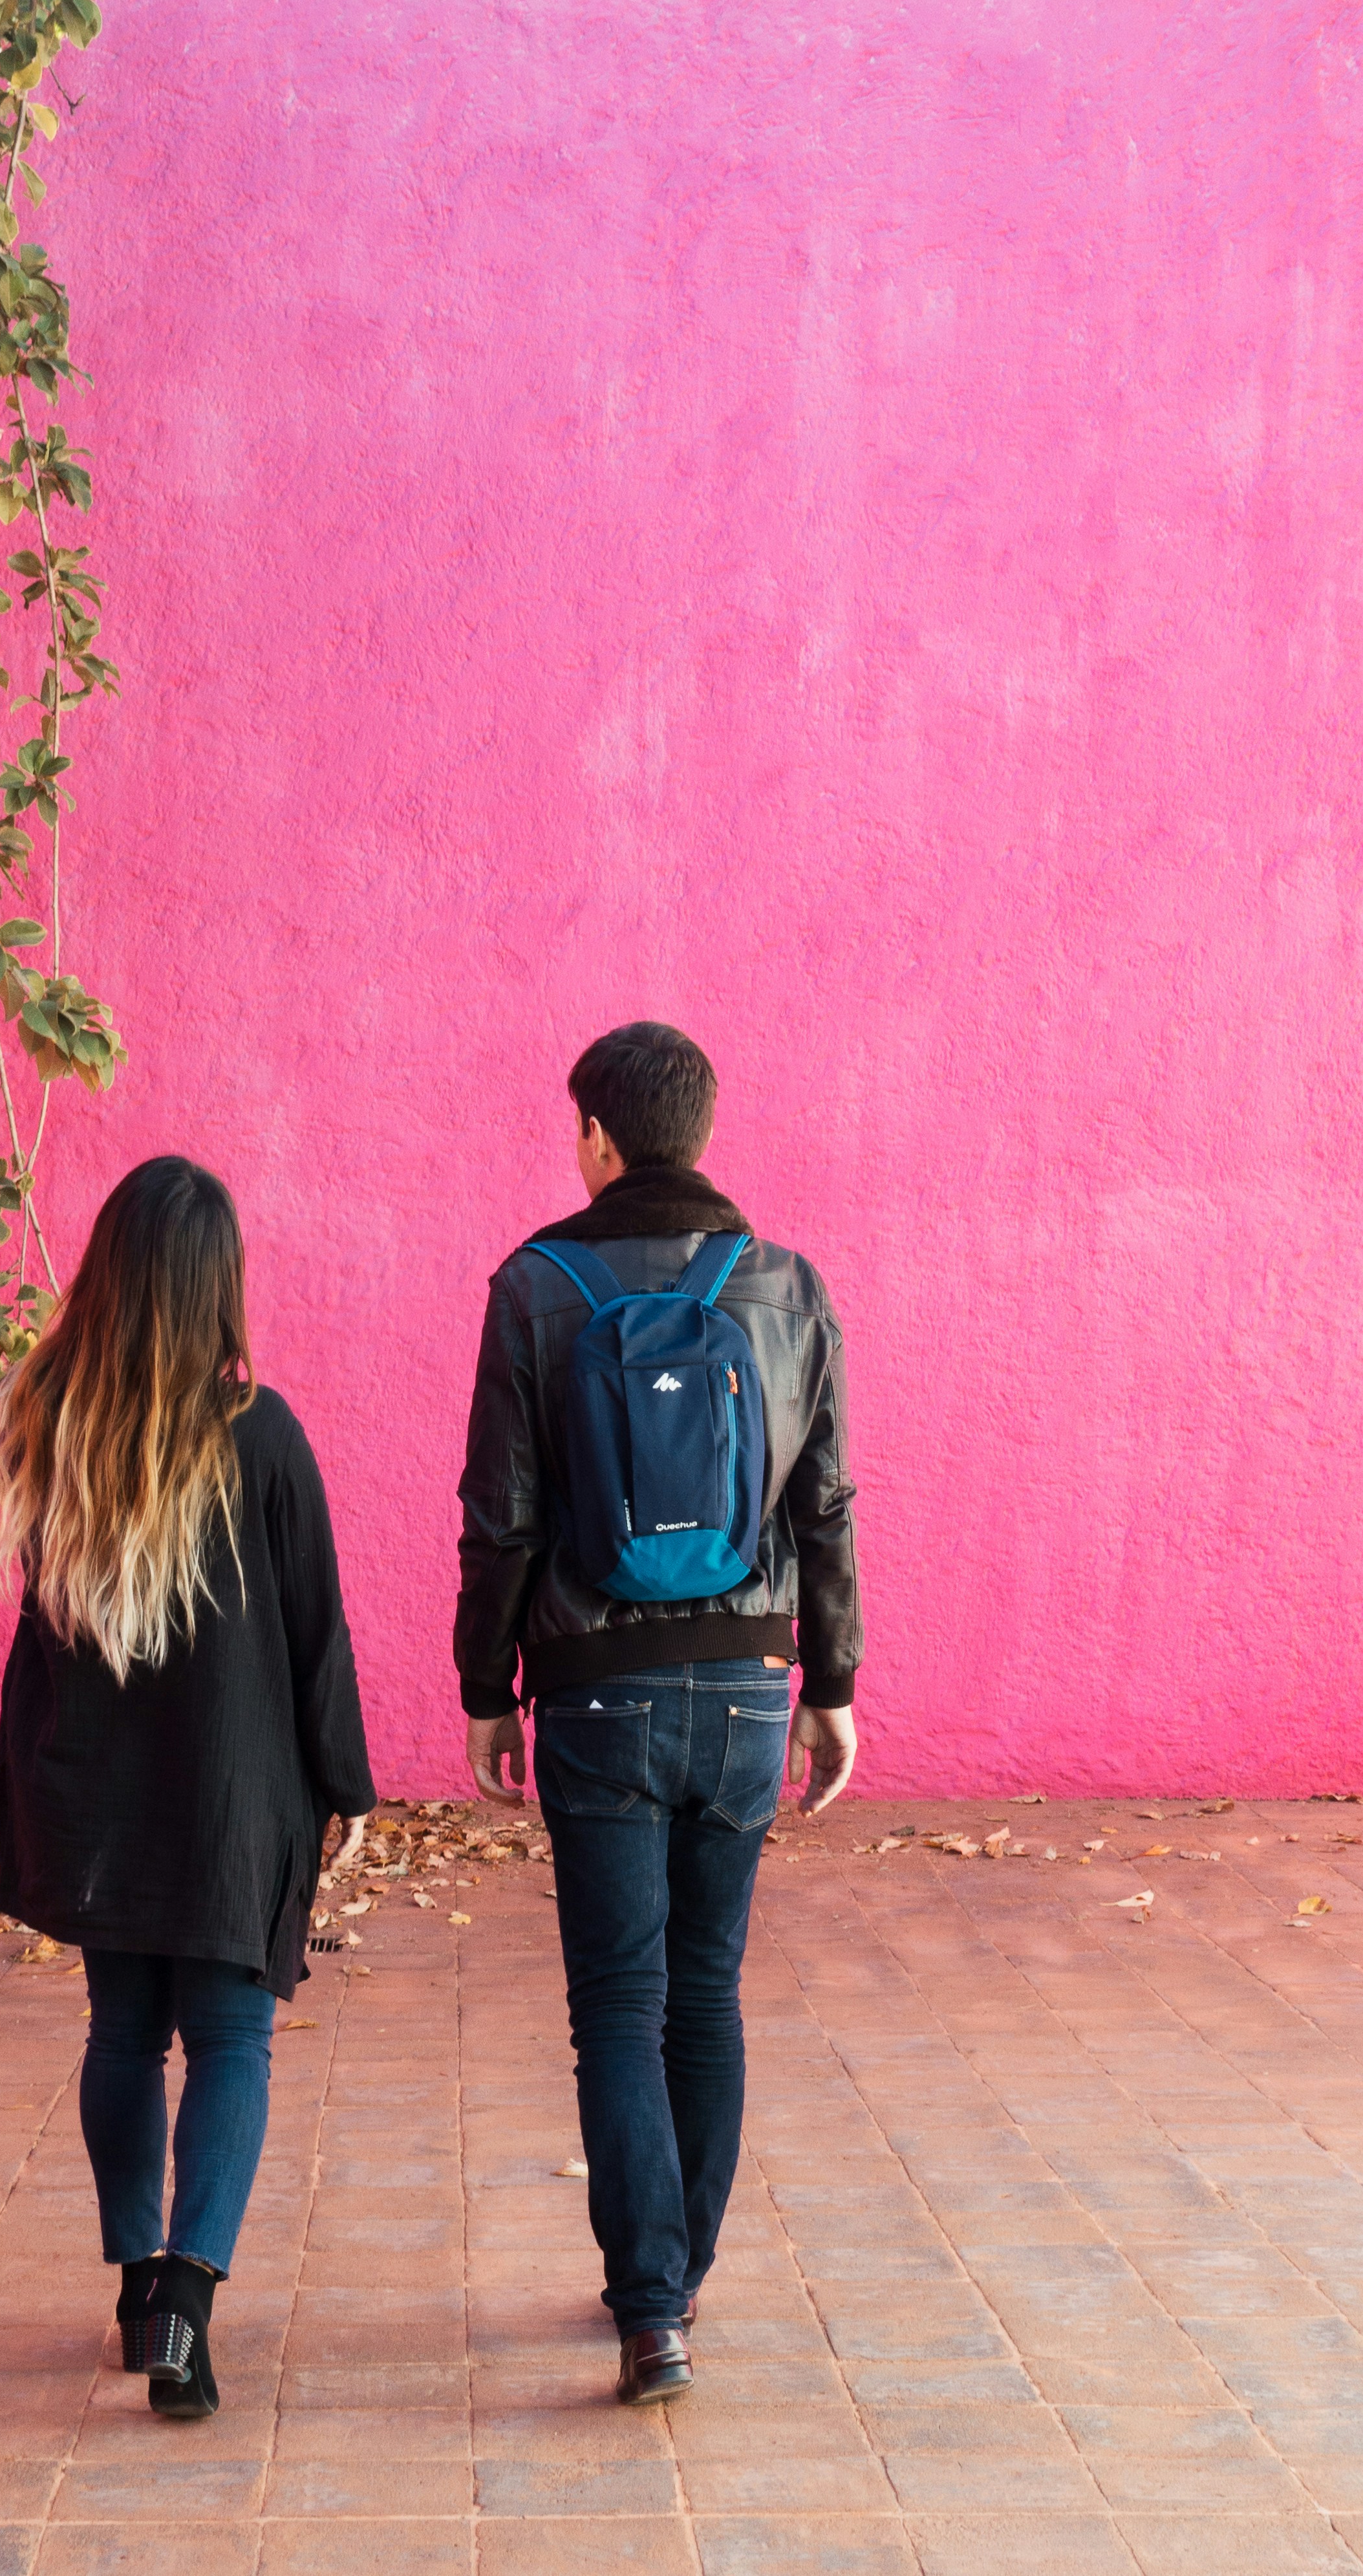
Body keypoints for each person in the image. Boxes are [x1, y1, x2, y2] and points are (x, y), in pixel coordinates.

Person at [456, 1021, 862, 2407]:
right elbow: (826, 1507)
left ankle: (649, 2309)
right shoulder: (788, 1289)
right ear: (701, 1128)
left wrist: (483, 1688)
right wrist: (837, 1685)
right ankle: (675, 2282)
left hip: (592, 1693)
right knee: (707, 1994)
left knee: (618, 2007)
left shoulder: (535, 1287)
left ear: (597, 1137)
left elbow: (499, 1519)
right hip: (752, 1684)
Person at [0, 1156, 374, 2418]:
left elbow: (34, 1632)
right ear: (218, 1289)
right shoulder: (261, 1433)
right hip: (232, 1800)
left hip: (91, 1798)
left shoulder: (49, 1420)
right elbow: (316, 1629)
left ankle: (136, 2284)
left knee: (122, 2036)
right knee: (232, 2038)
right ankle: (187, 2313)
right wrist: (347, 1785)